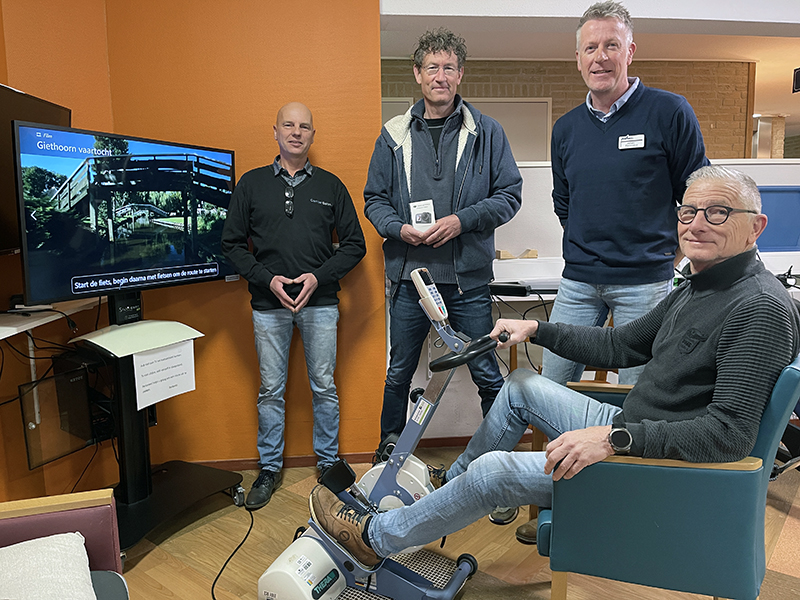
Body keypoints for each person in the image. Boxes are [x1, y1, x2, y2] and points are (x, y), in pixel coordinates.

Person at [309, 166, 800, 566]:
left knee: (494, 473)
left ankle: (374, 538)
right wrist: (536, 330)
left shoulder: (758, 308)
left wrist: (613, 440)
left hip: (652, 465)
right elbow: (624, 345)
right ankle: (445, 490)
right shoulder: (700, 284)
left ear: (755, 226)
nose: (696, 224)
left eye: (717, 213)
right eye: (688, 211)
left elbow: (728, 435)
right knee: (521, 383)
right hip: (634, 429)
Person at [364, 27, 522, 449]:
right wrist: (399, 229)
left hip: (467, 280)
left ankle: (497, 462)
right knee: (399, 372)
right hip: (408, 280)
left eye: (449, 67)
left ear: (460, 74)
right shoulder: (393, 134)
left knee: (487, 372)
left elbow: (509, 196)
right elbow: (374, 199)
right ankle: (387, 456)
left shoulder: (487, 133)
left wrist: (462, 221)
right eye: (432, 67)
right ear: (417, 73)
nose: (440, 75)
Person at [545, 0, 709, 387]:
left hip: (646, 283)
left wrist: (672, 257)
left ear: (630, 52)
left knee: (639, 397)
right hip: (578, 282)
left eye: (611, 45)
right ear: (578, 59)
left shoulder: (669, 112)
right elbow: (564, 202)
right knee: (547, 384)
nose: (600, 57)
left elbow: (697, 194)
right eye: (590, 48)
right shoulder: (566, 129)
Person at [222, 102, 366, 510]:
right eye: (289, 125)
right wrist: (268, 279)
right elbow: (231, 245)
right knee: (271, 390)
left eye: (305, 126)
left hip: (320, 303)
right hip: (268, 306)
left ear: (312, 135)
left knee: (324, 387)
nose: (297, 132)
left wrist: (318, 277)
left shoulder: (331, 186)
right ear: (276, 131)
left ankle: (327, 464)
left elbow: (356, 244)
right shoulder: (250, 185)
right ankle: (268, 469)